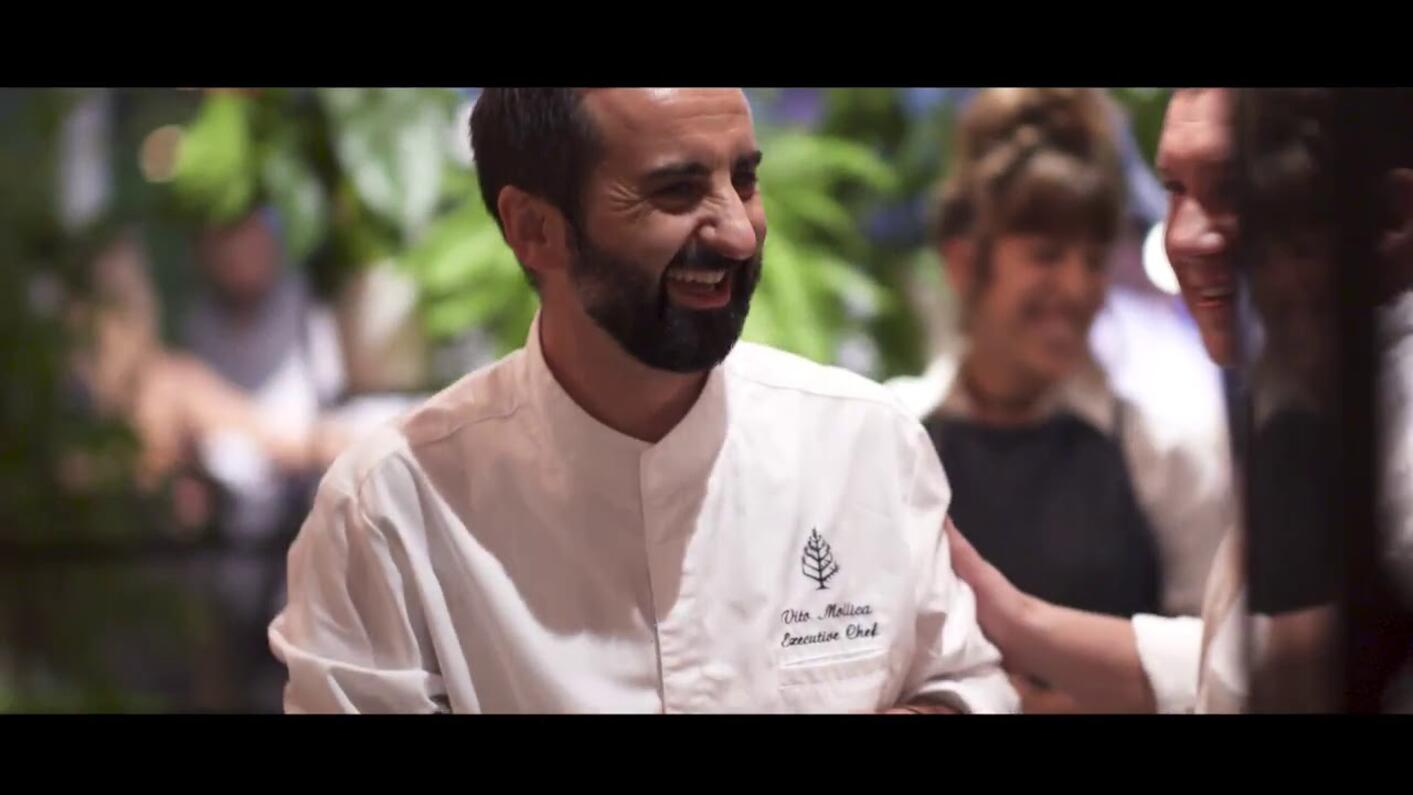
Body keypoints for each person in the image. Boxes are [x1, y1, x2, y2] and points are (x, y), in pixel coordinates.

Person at [268, 88, 1018, 714]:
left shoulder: (863, 443)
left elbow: (966, 684)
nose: (738, 232)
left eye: (744, 180)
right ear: (535, 228)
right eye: (676, 191)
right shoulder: (394, 509)